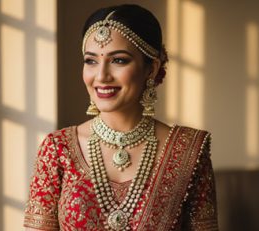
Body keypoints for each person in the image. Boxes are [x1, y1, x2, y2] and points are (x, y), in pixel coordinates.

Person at [24, 4, 219, 231]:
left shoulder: (189, 150)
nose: (101, 75)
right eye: (91, 60)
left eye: (119, 60)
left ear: (152, 69)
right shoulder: (57, 149)